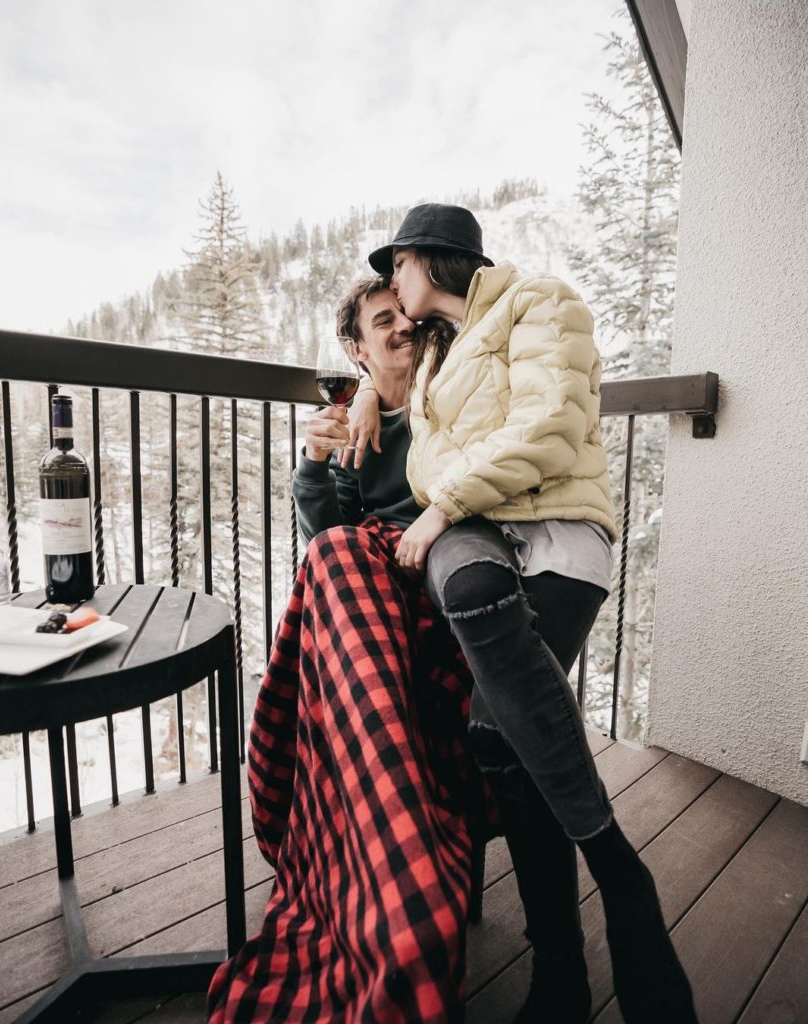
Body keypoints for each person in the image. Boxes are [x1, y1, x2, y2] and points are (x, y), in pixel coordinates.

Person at [348, 203, 698, 1024]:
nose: (391, 282)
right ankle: (583, 929)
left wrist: (443, 509)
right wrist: (365, 390)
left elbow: (551, 423)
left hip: (558, 537)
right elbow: (394, 390)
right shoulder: (435, 353)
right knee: (500, 737)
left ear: (430, 259)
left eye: (397, 265)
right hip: (479, 542)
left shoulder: (540, 302)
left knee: (502, 738)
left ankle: (571, 959)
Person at [206, 276, 494, 1024]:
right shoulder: (357, 427)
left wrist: (374, 400)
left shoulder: (451, 396)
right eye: (381, 320)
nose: (402, 326)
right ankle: (386, 863)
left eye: (405, 314)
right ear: (355, 349)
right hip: (369, 595)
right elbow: (325, 531)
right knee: (335, 556)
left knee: (335, 566)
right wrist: (315, 462)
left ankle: (393, 861)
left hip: (445, 583)